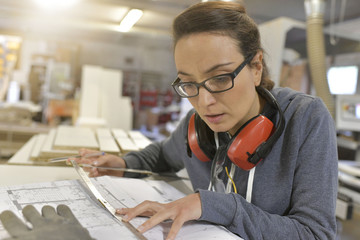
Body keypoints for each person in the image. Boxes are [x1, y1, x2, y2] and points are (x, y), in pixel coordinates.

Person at [0, 1, 338, 240]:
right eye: (188, 83)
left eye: (220, 78)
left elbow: (315, 234)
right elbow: (162, 155)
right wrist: (122, 163)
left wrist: (214, 205)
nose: (204, 101)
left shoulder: (305, 118)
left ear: (256, 66)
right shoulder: (200, 123)